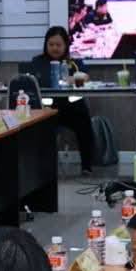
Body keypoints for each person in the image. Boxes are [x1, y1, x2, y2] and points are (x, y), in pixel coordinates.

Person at [31, 26, 95, 173]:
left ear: (66, 45)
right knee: (39, 128)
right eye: (51, 44)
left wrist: (74, 79)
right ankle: (44, 168)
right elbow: (32, 81)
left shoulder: (73, 62)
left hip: (72, 107)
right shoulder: (37, 62)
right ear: (46, 45)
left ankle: (86, 166)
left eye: (58, 45)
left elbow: (85, 77)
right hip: (47, 108)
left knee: (84, 124)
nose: (55, 48)